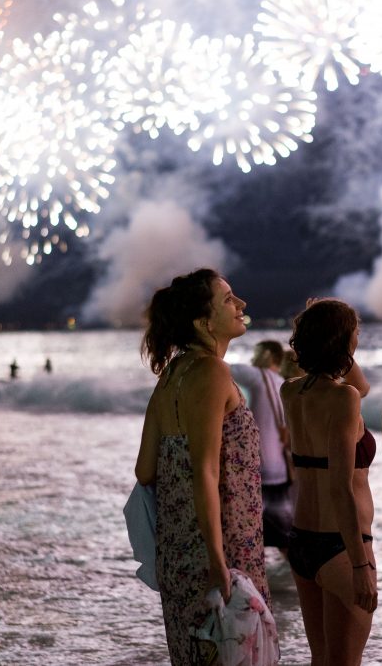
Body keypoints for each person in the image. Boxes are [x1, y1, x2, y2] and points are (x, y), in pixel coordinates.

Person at [134, 269, 276, 664]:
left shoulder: (170, 377)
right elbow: (205, 470)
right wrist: (218, 562)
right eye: (229, 299)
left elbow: (145, 471)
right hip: (225, 545)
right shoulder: (212, 371)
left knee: (196, 653)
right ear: (203, 322)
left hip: (178, 549)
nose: (241, 304)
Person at [281, 298, 375, 665]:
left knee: (321, 660)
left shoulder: (291, 391)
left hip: (302, 540)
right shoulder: (343, 397)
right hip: (342, 545)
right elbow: (341, 487)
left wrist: (325, 331)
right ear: (345, 341)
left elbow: (360, 385)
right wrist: (360, 566)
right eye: (355, 334)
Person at [231, 340, 294, 555]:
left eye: (257, 354)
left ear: (268, 356)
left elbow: (222, 368)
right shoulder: (283, 384)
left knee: (250, 534)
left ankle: (256, 583)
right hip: (280, 469)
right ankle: (296, 584)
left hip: (259, 468)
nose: (252, 358)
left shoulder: (258, 376)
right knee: (284, 537)